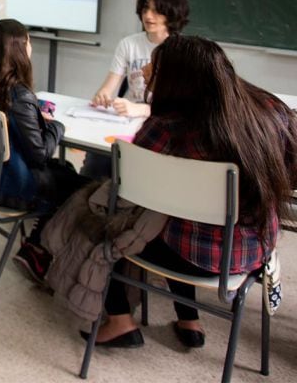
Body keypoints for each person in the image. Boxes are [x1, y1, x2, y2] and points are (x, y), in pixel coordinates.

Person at [88, 35, 296, 349]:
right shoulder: (271, 109)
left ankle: (119, 320)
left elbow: (131, 190)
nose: (144, 71)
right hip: (255, 252)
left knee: (115, 224)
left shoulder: (165, 127)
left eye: (153, 67)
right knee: (179, 217)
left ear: (177, 80)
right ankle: (189, 319)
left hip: (187, 253)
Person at [0, 19, 90, 284]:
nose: (31, 46)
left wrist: (33, 114)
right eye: (28, 41)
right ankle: (38, 248)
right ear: (17, 50)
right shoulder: (19, 95)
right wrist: (57, 127)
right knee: (88, 188)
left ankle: (36, 242)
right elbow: (39, 155)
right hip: (8, 187)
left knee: (67, 172)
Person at [81, 0, 190, 179]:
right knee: (97, 159)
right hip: (126, 119)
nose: (148, 16)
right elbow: (109, 86)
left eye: (157, 11)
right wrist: (102, 96)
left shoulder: (183, 51)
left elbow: (181, 110)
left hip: (160, 125)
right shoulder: (129, 44)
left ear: (173, 14)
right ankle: (87, 201)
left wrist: (141, 109)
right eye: (146, 8)